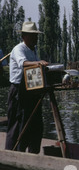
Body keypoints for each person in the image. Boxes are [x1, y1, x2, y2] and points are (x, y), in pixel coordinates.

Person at [5, 21, 49, 153]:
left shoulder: (32, 50)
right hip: (18, 91)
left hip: (31, 91)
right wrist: (38, 63)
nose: (36, 38)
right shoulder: (19, 49)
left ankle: (32, 153)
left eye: (36, 36)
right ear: (24, 36)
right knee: (18, 124)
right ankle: (11, 154)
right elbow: (23, 64)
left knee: (35, 124)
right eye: (32, 36)